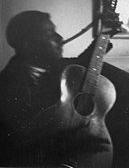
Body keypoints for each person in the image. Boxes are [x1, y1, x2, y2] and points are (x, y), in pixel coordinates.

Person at [0, 10, 116, 167]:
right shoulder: (8, 84)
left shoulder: (53, 65)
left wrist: (105, 35)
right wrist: (74, 144)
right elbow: (20, 144)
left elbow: (81, 64)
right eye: (49, 34)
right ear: (27, 44)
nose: (60, 38)